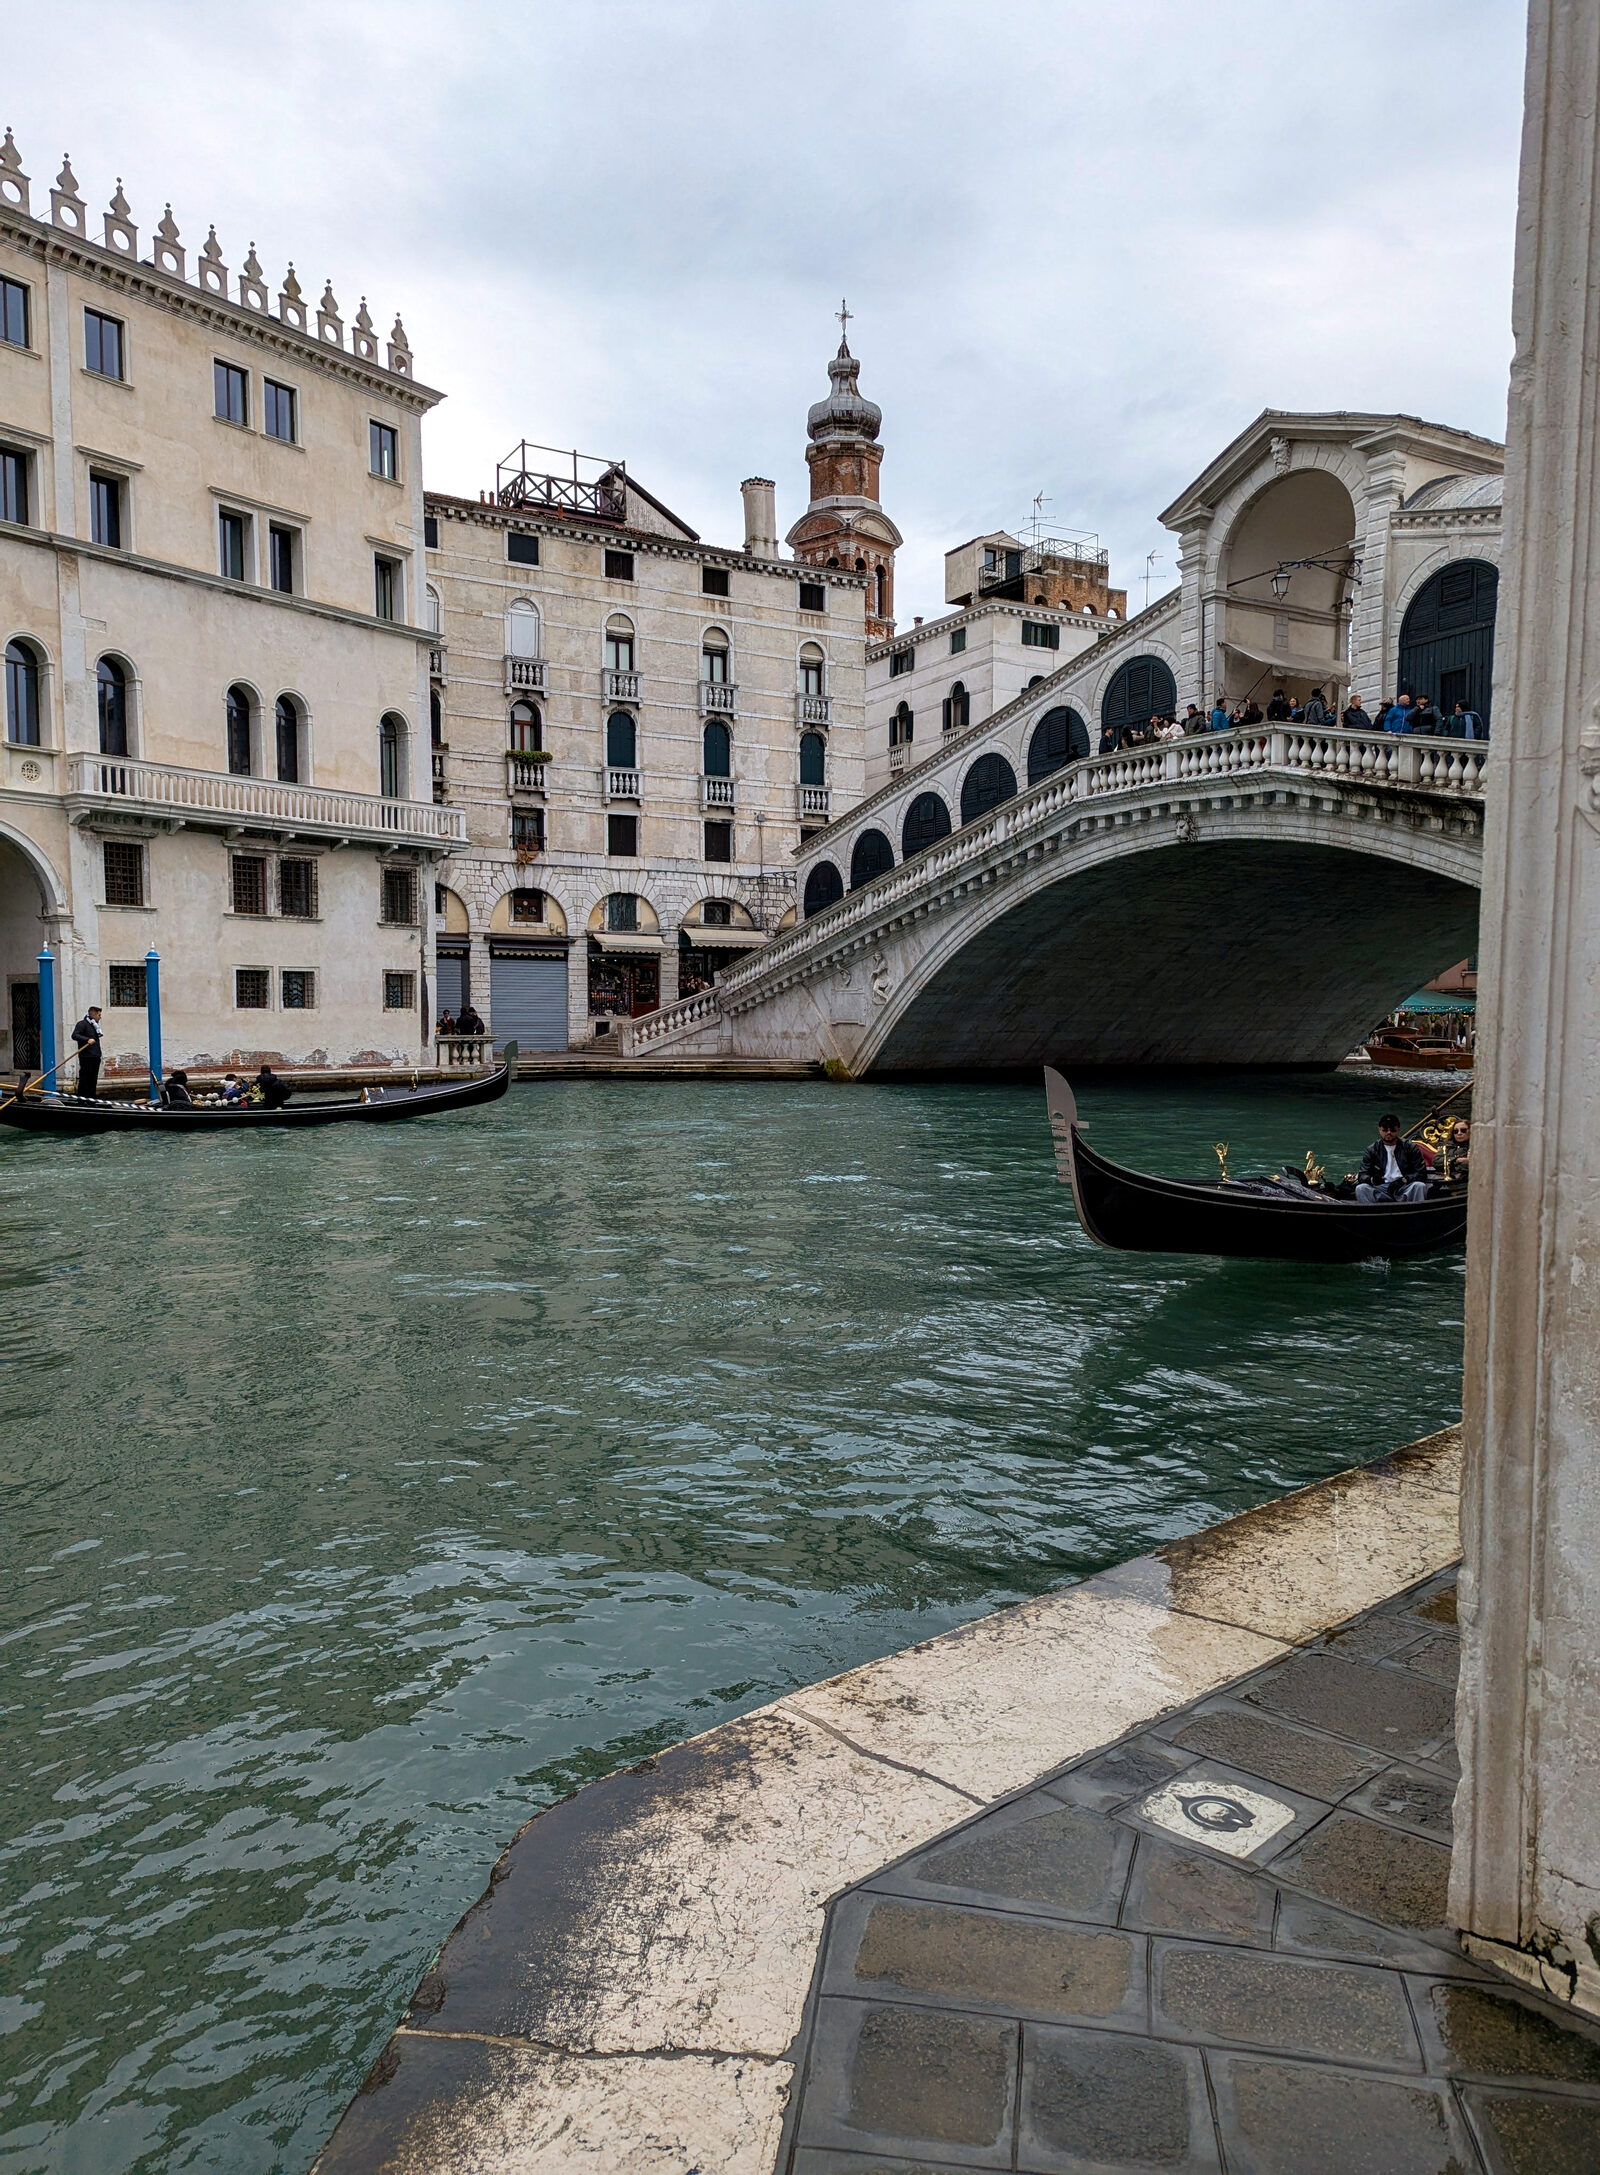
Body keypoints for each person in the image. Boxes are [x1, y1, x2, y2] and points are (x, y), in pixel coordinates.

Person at [1356, 1114, 1429, 1203]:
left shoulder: (1410, 1147)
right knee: (1361, 1188)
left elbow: (1421, 1173)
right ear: (1380, 1130)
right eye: (1385, 1130)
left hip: (1404, 1186)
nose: (1389, 1133)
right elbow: (1362, 1175)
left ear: (1398, 1130)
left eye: (1392, 1130)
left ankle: (1416, 1213)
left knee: (1419, 1186)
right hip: (1381, 1187)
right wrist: (1373, 1180)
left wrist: (1404, 1180)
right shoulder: (1372, 1150)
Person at [70, 1005, 104, 1097]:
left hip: (95, 1056)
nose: (100, 1017)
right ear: (93, 1015)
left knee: (93, 1080)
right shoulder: (82, 1024)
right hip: (86, 1057)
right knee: (85, 1079)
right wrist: (87, 1039)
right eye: (99, 1015)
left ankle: (91, 1099)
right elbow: (75, 1035)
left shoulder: (94, 1026)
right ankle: (82, 1099)